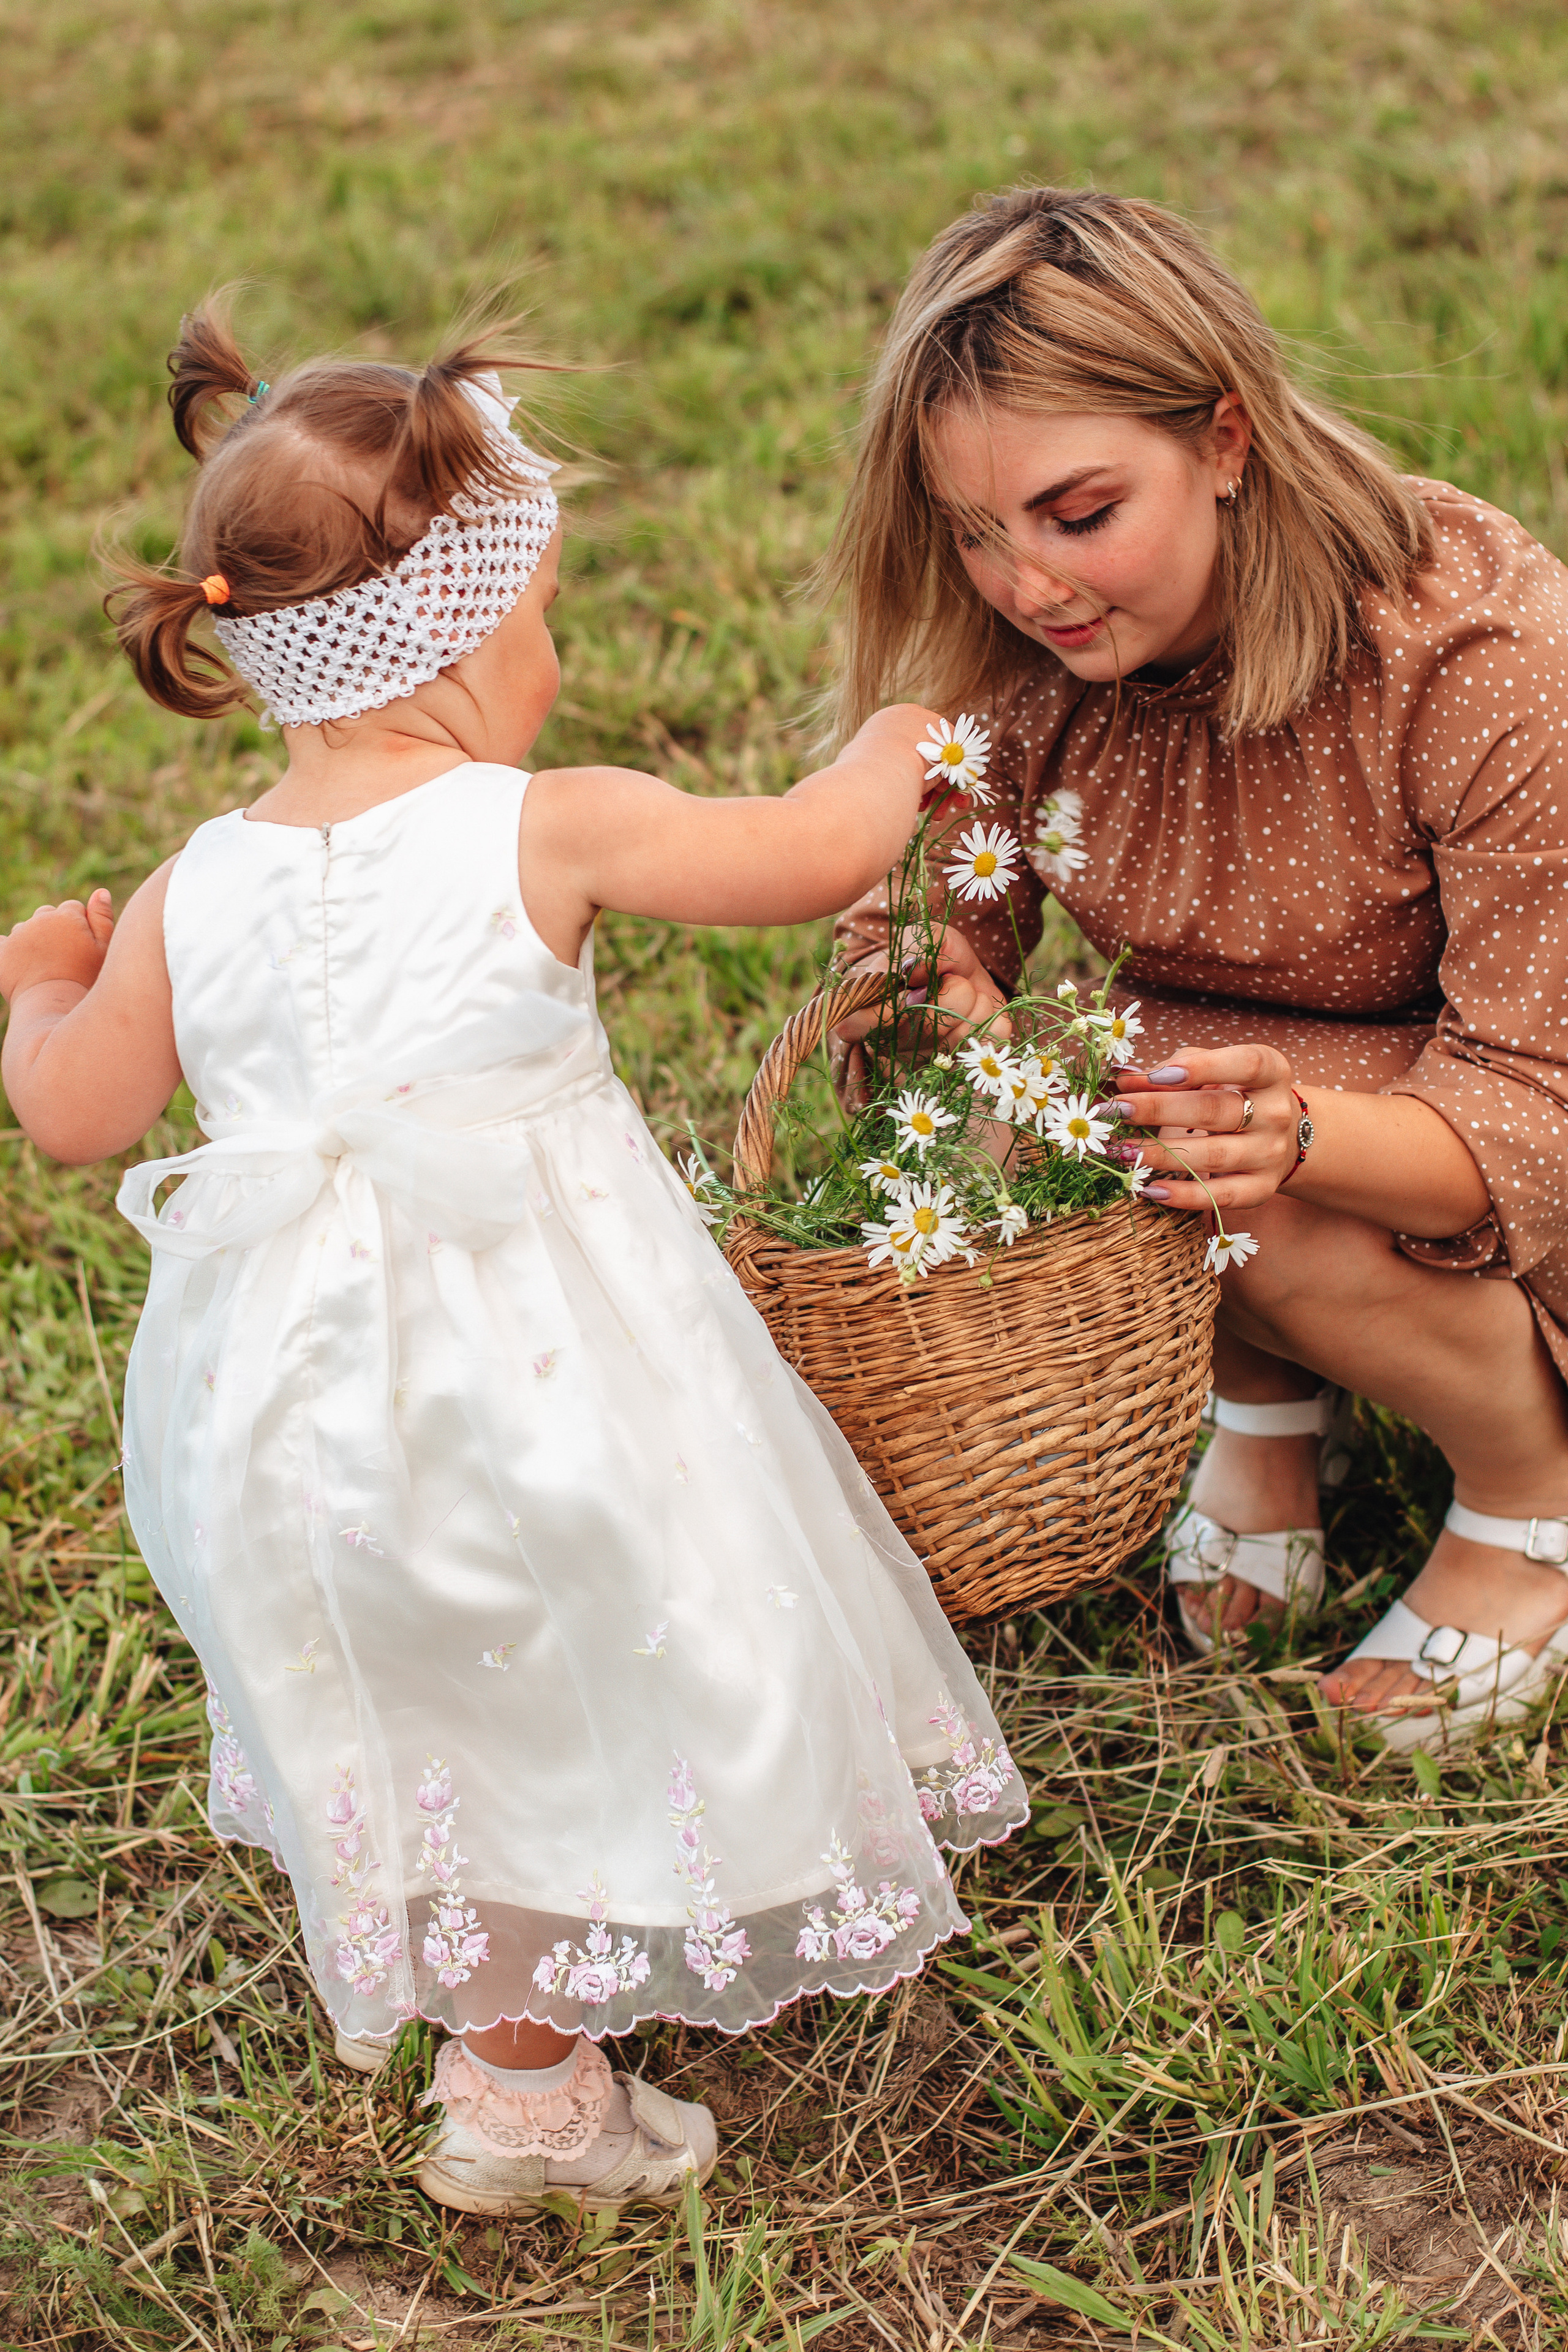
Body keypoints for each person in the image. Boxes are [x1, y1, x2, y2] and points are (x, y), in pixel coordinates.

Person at [0, 305, 1025, 2216]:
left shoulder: (185, 888)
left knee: (433, 1684)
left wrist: (35, 982)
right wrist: (903, 743)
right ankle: (598, 1982)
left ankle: (521, 2080)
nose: (548, 651)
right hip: (550, 1361)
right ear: (461, 645)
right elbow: (804, 856)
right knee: (610, 1624)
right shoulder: (542, 825)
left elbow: (71, 1115)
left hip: (292, 1413)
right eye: (540, 614)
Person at [825, 185, 1568, 1752]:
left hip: (1495, 1123)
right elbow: (948, 881)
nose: (1026, 582)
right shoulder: (1035, 656)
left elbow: (1535, 1104)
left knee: (1196, 1143)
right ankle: (1269, 1404)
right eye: (973, 531)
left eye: (1076, 512)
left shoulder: (1469, 650)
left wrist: (1289, 1140)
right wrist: (929, 966)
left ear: (1225, 441)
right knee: (1074, 1098)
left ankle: (1524, 1489)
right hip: (1265, 1115)